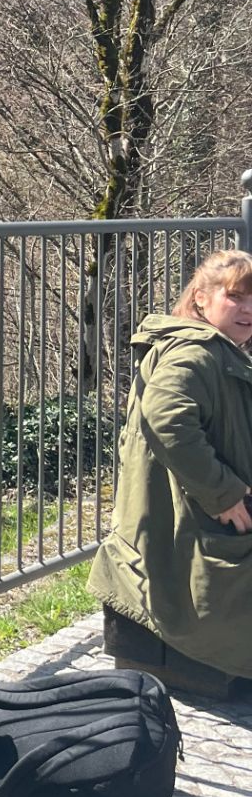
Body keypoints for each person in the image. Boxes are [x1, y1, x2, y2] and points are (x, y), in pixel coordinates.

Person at [93, 248, 252, 691]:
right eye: (236, 297)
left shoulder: (220, 351)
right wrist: (223, 493)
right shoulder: (193, 354)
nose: (248, 309)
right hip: (194, 519)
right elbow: (166, 419)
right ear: (201, 298)